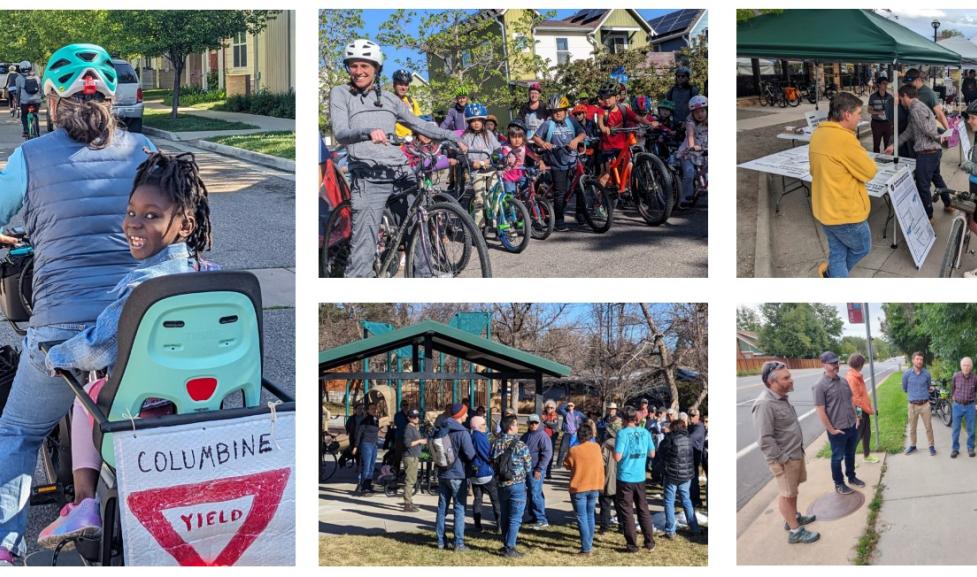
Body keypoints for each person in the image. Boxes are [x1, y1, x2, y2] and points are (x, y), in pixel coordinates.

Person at [0, 43, 160, 565]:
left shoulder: (28, 156)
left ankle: (7, 546)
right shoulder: (145, 151)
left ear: (51, 101)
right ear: (112, 101)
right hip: (138, 324)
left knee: (18, 431)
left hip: (61, 327)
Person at [36, 152, 214, 548]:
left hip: (139, 413)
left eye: (152, 215)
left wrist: (57, 355)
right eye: (131, 211)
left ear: (184, 224)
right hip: (204, 413)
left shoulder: (142, 290)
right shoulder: (213, 277)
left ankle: (84, 503)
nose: (134, 222)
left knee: (89, 394)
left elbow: (96, 350)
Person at [328, 39, 465, 278]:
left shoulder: (390, 100)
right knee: (365, 241)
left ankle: (423, 275)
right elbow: (340, 132)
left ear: (376, 68)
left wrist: (451, 137)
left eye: (364, 66)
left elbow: (417, 124)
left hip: (400, 170)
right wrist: (367, 132)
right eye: (353, 65)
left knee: (419, 222)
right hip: (368, 174)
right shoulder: (340, 94)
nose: (358, 71)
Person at [809, 92, 877, 278]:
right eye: (857, 114)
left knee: (838, 253)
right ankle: (834, 274)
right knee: (862, 247)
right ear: (847, 114)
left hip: (824, 211)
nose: (860, 118)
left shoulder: (818, 133)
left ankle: (834, 274)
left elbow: (814, 171)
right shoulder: (845, 140)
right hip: (845, 214)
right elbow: (870, 171)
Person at [753, 361, 819, 544]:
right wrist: (783, 459)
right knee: (786, 494)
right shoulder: (765, 404)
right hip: (784, 459)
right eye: (786, 378)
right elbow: (764, 439)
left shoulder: (781, 396)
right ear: (772, 382)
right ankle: (795, 531)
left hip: (794, 454)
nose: (791, 380)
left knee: (793, 491)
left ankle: (793, 518)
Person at [885, 84, 946, 219]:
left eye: (901, 99)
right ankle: (948, 203)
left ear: (906, 96)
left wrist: (941, 137)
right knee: (937, 178)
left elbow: (927, 130)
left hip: (927, 153)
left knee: (922, 185)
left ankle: (928, 216)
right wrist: (894, 146)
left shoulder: (916, 109)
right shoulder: (917, 107)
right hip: (932, 151)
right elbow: (909, 132)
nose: (900, 102)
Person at [814, 351, 865, 495]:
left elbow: (853, 401)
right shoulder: (820, 386)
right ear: (824, 365)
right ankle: (839, 483)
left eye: (837, 362)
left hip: (851, 426)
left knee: (850, 454)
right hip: (837, 430)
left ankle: (852, 477)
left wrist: (858, 417)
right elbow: (820, 410)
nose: (836, 365)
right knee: (837, 457)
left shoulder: (843, 381)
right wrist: (831, 429)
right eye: (832, 363)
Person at [533, 94, 587, 231]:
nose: (558, 113)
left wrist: (576, 140)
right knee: (560, 192)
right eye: (555, 111)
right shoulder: (547, 124)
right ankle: (559, 220)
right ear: (551, 112)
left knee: (581, 188)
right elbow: (536, 137)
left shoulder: (571, 121)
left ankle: (580, 214)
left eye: (561, 110)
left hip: (573, 160)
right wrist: (544, 143)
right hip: (557, 162)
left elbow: (582, 133)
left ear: (565, 110)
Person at [903, 69, 953, 208]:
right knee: (935, 176)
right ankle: (948, 202)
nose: (910, 84)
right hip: (917, 140)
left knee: (923, 181)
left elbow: (939, 114)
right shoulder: (910, 92)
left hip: (927, 146)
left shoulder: (929, 93)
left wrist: (948, 132)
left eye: (911, 81)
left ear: (919, 79)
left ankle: (929, 214)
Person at [595, 82, 655, 189]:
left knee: (629, 171)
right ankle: (599, 201)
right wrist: (605, 129)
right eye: (604, 97)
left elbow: (638, 118)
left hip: (622, 148)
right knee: (606, 175)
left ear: (616, 97)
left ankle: (629, 194)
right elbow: (600, 124)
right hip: (607, 148)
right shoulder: (602, 111)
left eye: (609, 97)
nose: (607, 100)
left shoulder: (623, 109)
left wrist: (650, 123)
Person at [614, 405, 656, 553]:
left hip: (625, 476)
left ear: (624, 419)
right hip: (640, 477)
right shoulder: (645, 432)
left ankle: (632, 545)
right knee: (643, 509)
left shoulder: (622, 433)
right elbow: (652, 454)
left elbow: (617, 457)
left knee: (627, 511)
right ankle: (649, 542)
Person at [434, 403, 476, 551]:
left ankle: (440, 541)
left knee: (442, 508)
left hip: (443, 472)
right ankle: (459, 543)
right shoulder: (462, 432)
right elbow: (471, 454)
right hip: (458, 474)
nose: (467, 416)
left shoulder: (442, 428)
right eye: (465, 413)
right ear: (459, 415)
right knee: (459, 508)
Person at [491, 414, 532, 558]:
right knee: (515, 518)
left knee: (505, 515)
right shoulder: (521, 445)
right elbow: (528, 466)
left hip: (501, 484)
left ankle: (506, 543)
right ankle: (510, 547)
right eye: (515, 424)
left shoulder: (495, 443)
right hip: (517, 484)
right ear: (510, 427)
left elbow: (492, 461)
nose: (517, 427)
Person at [564, 421, 604, 556]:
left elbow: (566, 465)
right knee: (590, 515)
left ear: (578, 435)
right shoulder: (597, 447)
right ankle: (588, 543)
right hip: (594, 485)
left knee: (582, 517)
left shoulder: (574, 450)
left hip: (579, 486)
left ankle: (586, 548)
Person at [657, 418, 701, 539]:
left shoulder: (670, 439)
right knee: (686, 500)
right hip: (686, 475)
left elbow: (661, 452)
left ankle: (671, 530)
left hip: (671, 474)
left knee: (669, 501)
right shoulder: (688, 439)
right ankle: (694, 527)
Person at [469, 415, 501, 532]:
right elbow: (486, 454)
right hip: (484, 473)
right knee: (495, 498)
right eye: (483, 424)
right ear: (477, 426)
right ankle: (499, 525)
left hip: (474, 473)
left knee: (477, 499)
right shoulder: (480, 437)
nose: (485, 426)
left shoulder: (471, 436)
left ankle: (477, 525)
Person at [846, 353, 879, 464]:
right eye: (863, 364)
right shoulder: (852, 378)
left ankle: (867, 455)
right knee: (858, 435)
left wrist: (868, 408)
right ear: (859, 364)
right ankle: (850, 460)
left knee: (867, 433)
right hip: (859, 411)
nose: (863, 366)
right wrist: (862, 414)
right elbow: (856, 400)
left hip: (863, 410)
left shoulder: (857, 376)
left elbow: (862, 396)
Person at [520, 414, 552, 529]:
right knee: (532, 494)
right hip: (527, 469)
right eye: (531, 423)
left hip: (536, 470)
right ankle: (534, 516)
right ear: (528, 424)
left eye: (535, 423)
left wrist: (539, 469)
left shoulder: (543, 436)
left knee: (535, 494)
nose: (533, 425)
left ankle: (541, 519)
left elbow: (547, 454)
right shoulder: (525, 436)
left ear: (539, 423)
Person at [677, 94, 707, 209]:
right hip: (689, 152)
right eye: (696, 112)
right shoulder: (691, 123)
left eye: (702, 111)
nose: (700, 114)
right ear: (692, 114)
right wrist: (692, 146)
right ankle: (685, 197)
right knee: (689, 173)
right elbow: (690, 135)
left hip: (706, 151)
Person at [902, 351, 936, 456]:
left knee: (928, 427)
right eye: (917, 359)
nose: (919, 361)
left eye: (921, 359)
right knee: (912, 427)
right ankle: (913, 445)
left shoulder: (926, 373)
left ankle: (931, 446)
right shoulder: (907, 374)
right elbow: (905, 388)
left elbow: (928, 386)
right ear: (913, 360)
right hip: (912, 405)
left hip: (925, 405)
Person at [950, 357, 977, 459]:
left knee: (971, 429)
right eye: (964, 365)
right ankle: (955, 449)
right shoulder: (956, 376)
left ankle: (970, 448)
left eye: (968, 365)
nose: (966, 367)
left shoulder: (975, 378)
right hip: (957, 406)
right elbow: (952, 388)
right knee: (955, 429)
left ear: (971, 366)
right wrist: (953, 398)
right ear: (961, 366)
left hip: (970, 406)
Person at [353, 403, 381, 494]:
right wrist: (356, 446)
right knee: (367, 466)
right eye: (372, 409)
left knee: (372, 466)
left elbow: (377, 431)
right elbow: (359, 434)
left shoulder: (376, 419)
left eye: (375, 408)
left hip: (374, 444)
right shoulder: (365, 420)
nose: (374, 410)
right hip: (366, 444)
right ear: (368, 410)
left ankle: (368, 486)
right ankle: (362, 486)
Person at [402, 409, 426, 512]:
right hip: (410, 456)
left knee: (412, 479)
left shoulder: (414, 427)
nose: (417, 418)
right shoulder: (408, 429)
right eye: (414, 417)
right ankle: (407, 503)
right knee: (410, 480)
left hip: (414, 456)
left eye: (417, 416)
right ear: (409, 418)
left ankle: (409, 501)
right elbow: (407, 444)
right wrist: (420, 441)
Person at [598, 421, 619, 534]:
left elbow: (602, 462)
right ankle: (622, 525)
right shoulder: (625, 443)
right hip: (622, 480)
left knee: (605, 504)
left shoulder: (606, 444)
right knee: (620, 505)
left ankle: (604, 527)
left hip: (608, 479)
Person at [392, 69, 422, 139]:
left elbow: (419, 121)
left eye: (406, 85)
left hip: (411, 141)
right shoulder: (389, 101)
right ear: (394, 85)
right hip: (395, 142)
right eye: (400, 84)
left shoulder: (412, 101)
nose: (403, 88)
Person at [14, 60, 42, 138]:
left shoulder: (18, 78)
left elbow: (18, 91)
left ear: (20, 69)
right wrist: (41, 97)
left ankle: (26, 130)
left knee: (24, 115)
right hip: (36, 101)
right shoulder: (36, 77)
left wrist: (17, 102)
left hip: (25, 102)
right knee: (35, 114)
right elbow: (40, 88)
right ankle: (37, 131)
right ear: (30, 68)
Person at [556, 399, 586, 468]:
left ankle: (573, 464)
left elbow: (585, 418)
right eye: (569, 406)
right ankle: (558, 464)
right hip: (567, 433)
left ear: (574, 406)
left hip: (575, 434)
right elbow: (559, 409)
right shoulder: (565, 413)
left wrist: (581, 426)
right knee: (562, 449)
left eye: (571, 405)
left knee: (574, 449)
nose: (570, 407)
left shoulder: (578, 413)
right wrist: (566, 403)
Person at [868, 76, 894, 153]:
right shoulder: (873, 96)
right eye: (884, 83)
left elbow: (892, 110)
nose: (886, 85)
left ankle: (888, 162)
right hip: (876, 123)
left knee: (888, 145)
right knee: (876, 145)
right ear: (879, 85)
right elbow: (869, 110)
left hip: (887, 123)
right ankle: (876, 163)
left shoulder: (890, 97)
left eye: (887, 84)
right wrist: (878, 112)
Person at [687, 408, 706, 507]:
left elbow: (690, 438)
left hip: (695, 456)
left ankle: (696, 500)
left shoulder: (699, 427)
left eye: (693, 415)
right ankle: (692, 498)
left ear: (698, 416)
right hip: (689, 456)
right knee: (691, 478)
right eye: (690, 415)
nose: (691, 417)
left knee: (693, 479)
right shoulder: (691, 426)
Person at [540, 400, 560, 478]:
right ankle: (542, 471)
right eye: (548, 407)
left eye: (552, 407)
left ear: (554, 408)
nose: (550, 409)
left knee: (550, 455)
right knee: (542, 454)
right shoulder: (542, 414)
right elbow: (541, 423)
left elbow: (554, 425)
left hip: (552, 436)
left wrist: (545, 421)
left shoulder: (555, 415)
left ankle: (548, 472)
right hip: (543, 436)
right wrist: (546, 422)